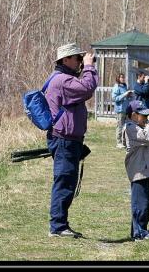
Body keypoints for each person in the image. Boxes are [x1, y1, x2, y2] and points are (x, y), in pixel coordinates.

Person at [45, 43, 99, 238]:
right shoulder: (62, 80)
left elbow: (85, 88)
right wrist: (89, 67)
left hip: (67, 139)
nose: (79, 62)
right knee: (65, 182)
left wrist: (86, 67)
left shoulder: (62, 79)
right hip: (64, 140)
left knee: (66, 180)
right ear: (65, 60)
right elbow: (87, 88)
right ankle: (58, 227)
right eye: (77, 58)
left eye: (80, 58)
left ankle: (60, 224)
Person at [122, 100, 149, 241]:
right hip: (138, 171)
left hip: (145, 170)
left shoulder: (140, 127)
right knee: (140, 203)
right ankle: (138, 232)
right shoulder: (130, 127)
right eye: (142, 115)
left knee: (147, 202)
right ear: (133, 115)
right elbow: (148, 138)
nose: (146, 118)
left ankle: (141, 228)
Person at [112, 73, 133, 149]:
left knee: (126, 127)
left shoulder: (124, 86)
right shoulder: (116, 87)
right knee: (120, 126)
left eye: (123, 77)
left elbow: (126, 98)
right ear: (118, 78)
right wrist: (124, 95)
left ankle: (124, 141)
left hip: (126, 109)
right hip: (120, 110)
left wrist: (129, 95)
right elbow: (114, 98)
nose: (123, 79)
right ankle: (119, 142)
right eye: (121, 77)